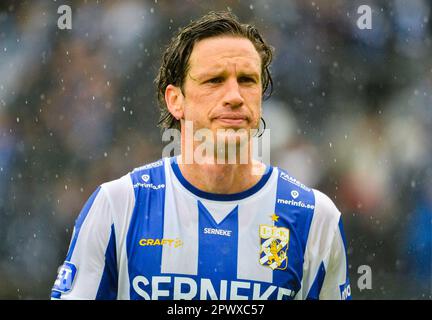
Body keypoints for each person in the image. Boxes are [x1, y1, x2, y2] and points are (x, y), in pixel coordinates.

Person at [51, 11, 351, 300]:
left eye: (247, 80)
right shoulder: (119, 206)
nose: (234, 96)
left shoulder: (314, 217)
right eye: (214, 81)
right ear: (175, 100)